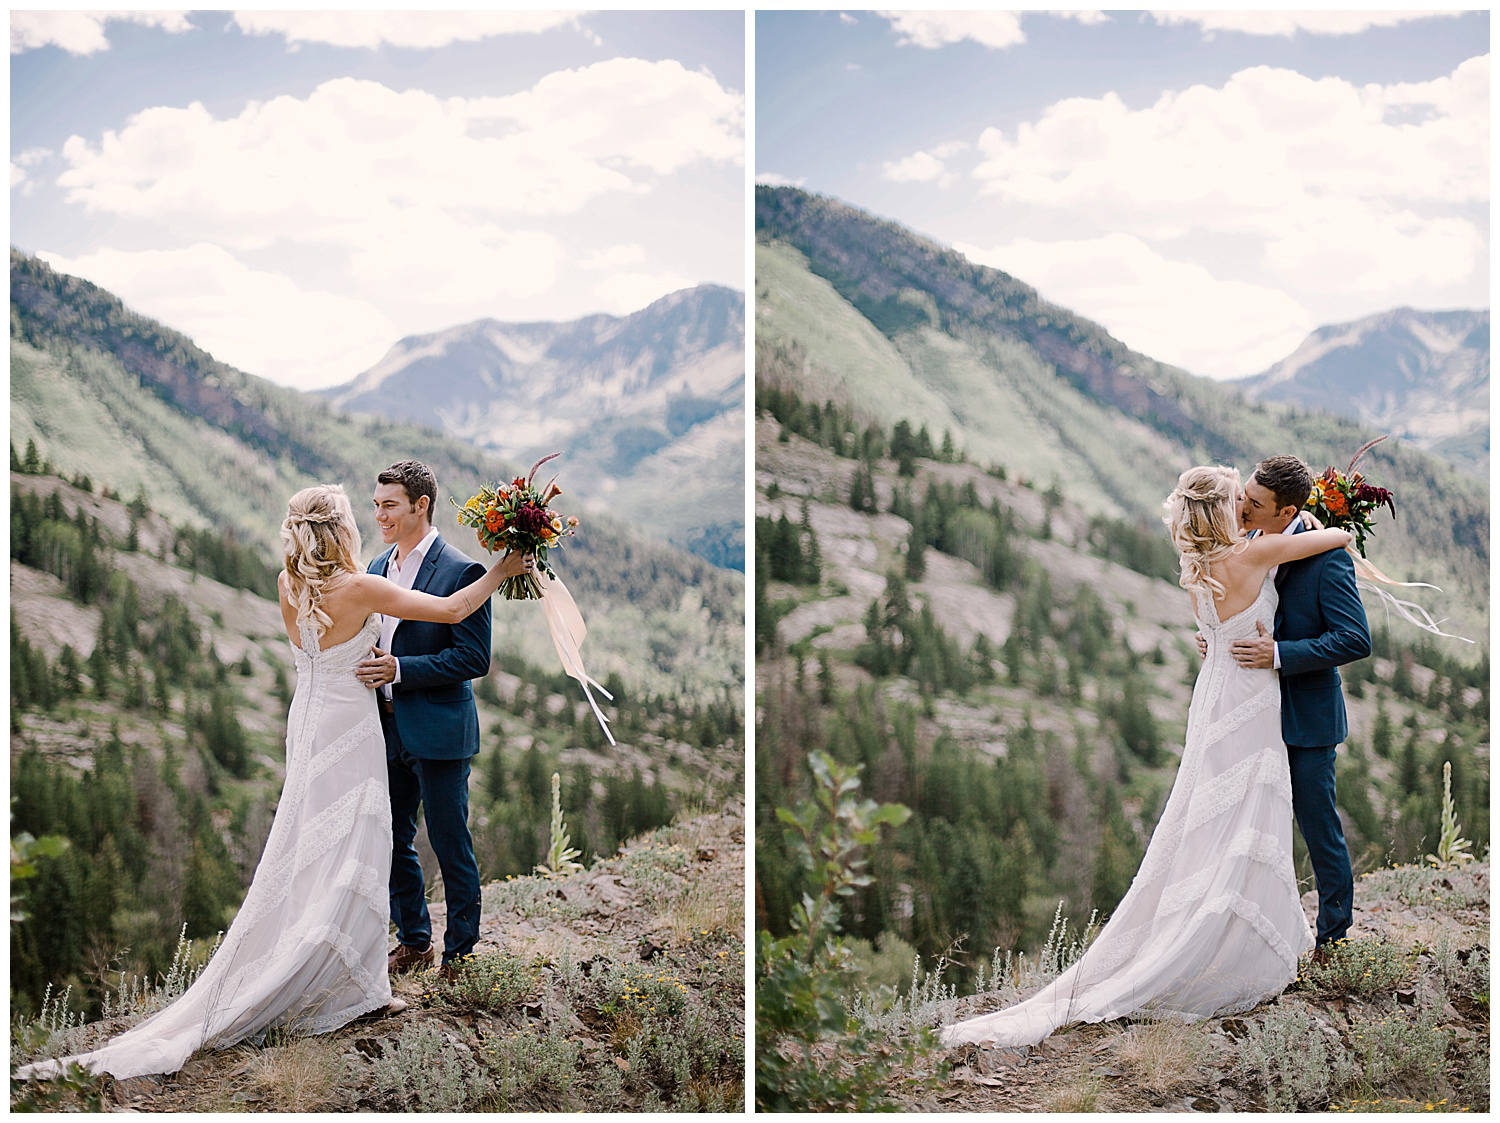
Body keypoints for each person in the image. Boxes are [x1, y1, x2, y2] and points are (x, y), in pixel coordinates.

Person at [16, 484, 531, 1080]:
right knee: (358, 846)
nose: (369, 520)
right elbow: (450, 611)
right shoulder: (360, 585)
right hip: (352, 726)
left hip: (310, 722)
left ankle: (329, 956)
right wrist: (503, 568)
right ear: (338, 532)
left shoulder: (290, 585)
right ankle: (353, 980)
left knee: (310, 840)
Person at [942, 465, 1352, 1049]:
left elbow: (1216, 622)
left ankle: (1235, 925)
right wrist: (1333, 520)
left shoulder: (1199, 566)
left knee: (1213, 814)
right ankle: (1228, 939)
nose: (1245, 510)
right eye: (1240, 501)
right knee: (1244, 814)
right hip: (1248, 694)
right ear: (1224, 511)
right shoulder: (1252, 557)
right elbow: (1333, 539)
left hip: (1216, 690)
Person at [353, 461, 491, 982]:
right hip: (383, 728)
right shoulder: (377, 565)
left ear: (420, 506)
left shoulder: (462, 572)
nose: (380, 514)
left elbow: (473, 658)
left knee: (451, 841)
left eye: (389, 504)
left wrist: (400, 669)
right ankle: (414, 940)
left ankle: (461, 954)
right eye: (376, 504)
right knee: (389, 836)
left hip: (438, 730)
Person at [1229, 455, 1371, 957]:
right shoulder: (1243, 539)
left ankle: (1333, 937)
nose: (1241, 505)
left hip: (1307, 717)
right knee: (1252, 825)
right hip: (1251, 711)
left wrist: (1280, 655)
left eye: (1255, 502)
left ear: (1286, 510)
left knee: (1317, 824)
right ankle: (1259, 932)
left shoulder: (1325, 556)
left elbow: (1354, 639)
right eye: (1245, 494)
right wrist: (1215, 639)